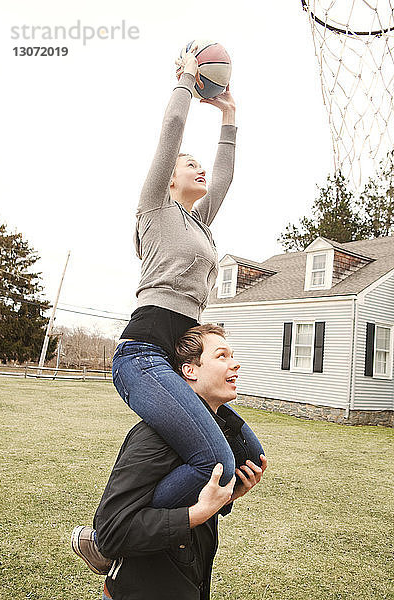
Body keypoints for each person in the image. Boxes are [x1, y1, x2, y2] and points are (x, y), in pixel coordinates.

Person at [111, 44, 248, 511]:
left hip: (178, 359)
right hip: (144, 354)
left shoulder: (200, 224)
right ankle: (119, 536)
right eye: (190, 164)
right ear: (169, 179)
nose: (200, 168)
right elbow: (171, 131)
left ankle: (195, 513)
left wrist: (229, 115)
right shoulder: (154, 207)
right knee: (216, 462)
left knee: (249, 455)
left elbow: (225, 177)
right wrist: (187, 81)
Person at [73, 324, 267, 600]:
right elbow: (112, 531)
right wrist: (198, 513)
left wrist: (227, 496)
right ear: (190, 370)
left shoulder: (217, 433)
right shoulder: (154, 436)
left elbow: (182, 502)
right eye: (222, 356)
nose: (235, 364)